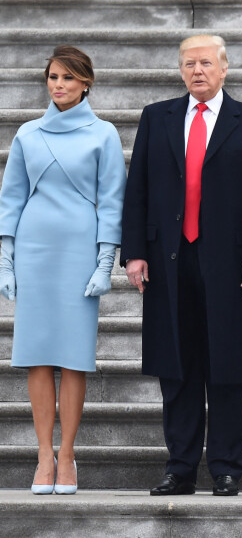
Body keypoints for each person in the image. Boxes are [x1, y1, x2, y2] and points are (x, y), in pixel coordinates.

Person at [121, 34, 242, 497]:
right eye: (189, 64)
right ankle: (180, 467)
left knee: (226, 366)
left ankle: (226, 467)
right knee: (177, 367)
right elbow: (139, 189)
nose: (198, 71)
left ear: (225, 68)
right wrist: (135, 252)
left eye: (206, 63)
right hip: (169, 259)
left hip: (229, 264)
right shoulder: (157, 117)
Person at [0, 45, 126, 495]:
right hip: (34, 252)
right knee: (36, 355)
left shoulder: (104, 133)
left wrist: (104, 262)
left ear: (85, 82)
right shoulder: (28, 134)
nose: (59, 85)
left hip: (77, 254)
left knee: (73, 358)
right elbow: (10, 198)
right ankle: (43, 456)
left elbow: (113, 199)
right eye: (53, 77)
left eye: (68, 78)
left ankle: (68, 455)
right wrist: (6, 258)